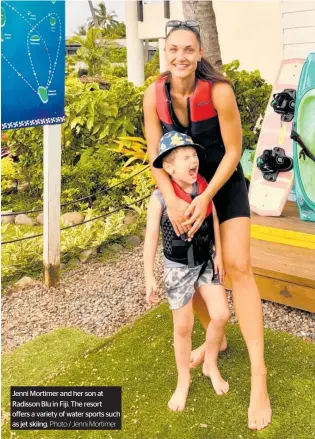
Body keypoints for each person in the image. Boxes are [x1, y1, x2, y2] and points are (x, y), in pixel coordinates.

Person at [143, 20, 272, 431]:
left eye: (188, 49)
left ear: (200, 55)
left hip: (223, 184)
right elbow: (154, 159)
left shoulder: (219, 91)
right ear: (165, 53)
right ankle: (218, 334)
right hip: (185, 188)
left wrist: (205, 196)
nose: (180, 57)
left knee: (237, 266)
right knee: (192, 265)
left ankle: (259, 377)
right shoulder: (154, 95)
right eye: (173, 49)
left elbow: (235, 150)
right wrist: (174, 199)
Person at [144, 130, 231, 411]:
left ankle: (210, 364)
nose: (193, 161)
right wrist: (149, 276)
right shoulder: (159, 200)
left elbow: (214, 217)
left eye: (194, 156)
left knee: (221, 314)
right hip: (178, 268)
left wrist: (218, 252)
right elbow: (151, 239)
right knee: (183, 327)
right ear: (168, 168)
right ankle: (183, 380)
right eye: (185, 158)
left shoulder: (203, 188)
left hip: (205, 261)